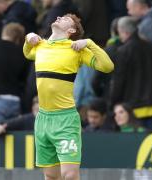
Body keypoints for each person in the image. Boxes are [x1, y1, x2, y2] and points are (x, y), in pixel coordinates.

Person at [23, 14, 114, 180]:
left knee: (69, 175)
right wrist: (28, 37)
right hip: (43, 119)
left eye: (65, 18)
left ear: (71, 30)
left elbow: (107, 66)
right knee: (50, 176)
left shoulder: (75, 48)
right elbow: (28, 53)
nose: (58, 17)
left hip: (65, 118)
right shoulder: (41, 45)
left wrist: (89, 43)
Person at [110, 16, 152, 131]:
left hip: (133, 109)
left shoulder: (123, 51)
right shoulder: (151, 47)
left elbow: (119, 81)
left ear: (123, 31)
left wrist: (113, 103)